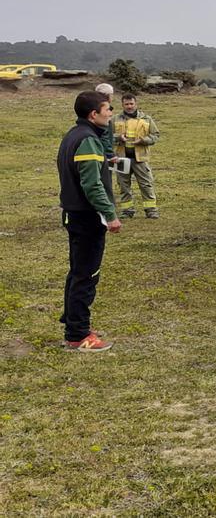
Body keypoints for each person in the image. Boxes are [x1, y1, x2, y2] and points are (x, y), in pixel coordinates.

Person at [57, 91, 122, 352]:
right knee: (86, 275)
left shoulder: (75, 135)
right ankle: (78, 335)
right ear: (93, 114)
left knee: (78, 273)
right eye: (107, 109)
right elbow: (92, 185)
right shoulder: (87, 141)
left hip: (73, 214)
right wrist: (110, 214)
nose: (110, 113)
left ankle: (74, 323)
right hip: (86, 218)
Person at [113, 94, 161, 219]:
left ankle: (151, 211)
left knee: (146, 184)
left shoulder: (147, 119)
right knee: (124, 186)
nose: (129, 106)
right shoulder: (115, 119)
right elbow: (107, 137)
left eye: (131, 104)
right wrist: (118, 138)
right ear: (122, 105)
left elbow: (155, 135)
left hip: (140, 158)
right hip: (121, 158)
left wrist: (144, 140)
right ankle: (127, 211)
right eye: (126, 104)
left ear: (136, 104)